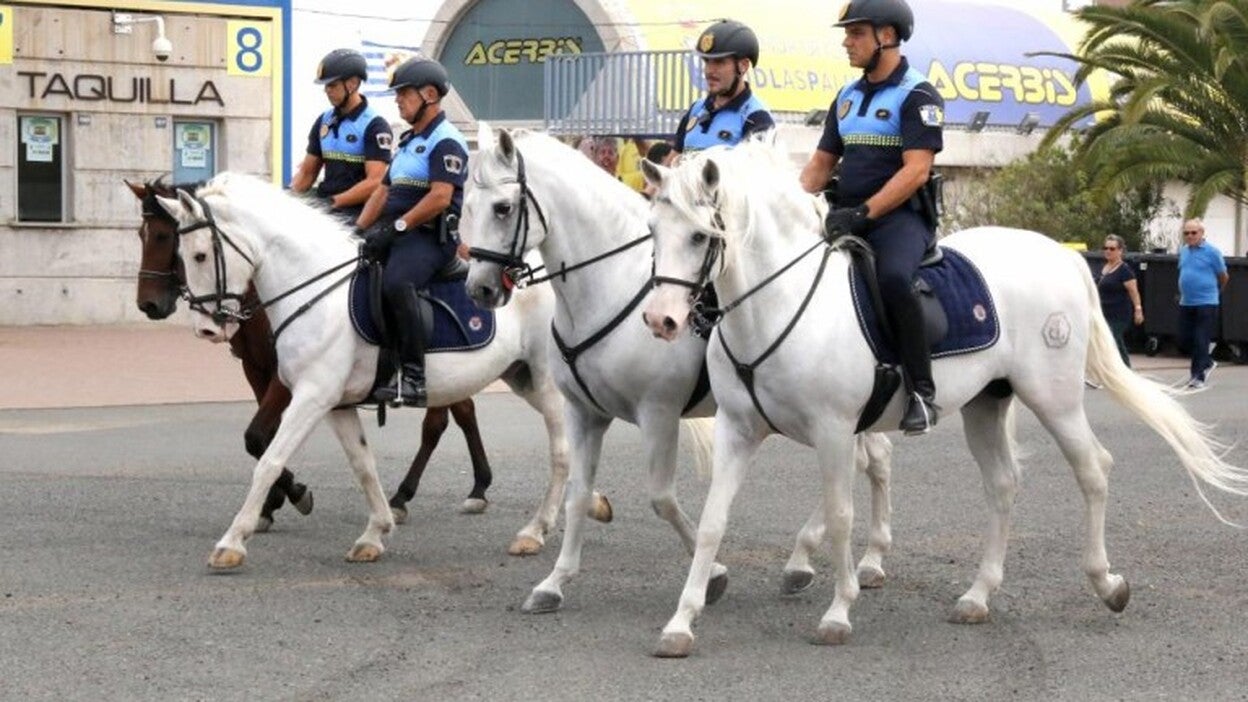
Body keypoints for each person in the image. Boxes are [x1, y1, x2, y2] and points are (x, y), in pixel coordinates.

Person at [798, 0, 944, 435]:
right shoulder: (845, 97)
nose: (847, 42)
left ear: (888, 35)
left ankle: (922, 392)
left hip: (900, 220)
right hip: (845, 214)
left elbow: (916, 171)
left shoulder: (918, 95)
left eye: (856, 33)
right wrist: (790, 204)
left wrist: (865, 213)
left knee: (894, 279)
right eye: (847, 33)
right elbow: (820, 166)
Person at [355, 57, 469, 407]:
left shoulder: (446, 140)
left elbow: (440, 197)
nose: (398, 100)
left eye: (404, 93)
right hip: (399, 233)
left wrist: (398, 227)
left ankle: (414, 378)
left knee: (396, 282)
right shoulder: (407, 142)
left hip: (431, 238)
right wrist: (357, 232)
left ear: (429, 95)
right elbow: (382, 191)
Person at [289, 48, 393, 224]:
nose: (327, 90)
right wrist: (287, 199)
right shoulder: (324, 121)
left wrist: (333, 202)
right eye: (325, 86)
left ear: (352, 84)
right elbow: (307, 172)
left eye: (332, 85)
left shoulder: (375, 125)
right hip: (325, 209)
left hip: (356, 215)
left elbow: (375, 182)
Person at [673, 19, 775, 155]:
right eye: (707, 61)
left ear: (743, 66)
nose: (709, 71)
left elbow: (758, 168)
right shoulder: (696, 109)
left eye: (719, 62)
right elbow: (673, 160)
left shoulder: (756, 118)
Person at [1177, 219, 1228, 388]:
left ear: (1201, 233)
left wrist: (1215, 292)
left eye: (1194, 233)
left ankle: (1197, 376)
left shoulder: (1212, 252)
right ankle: (1207, 361)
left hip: (1206, 302)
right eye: (1186, 233)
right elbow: (1184, 272)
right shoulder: (1184, 251)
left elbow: (1223, 276)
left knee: (1201, 339)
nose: (1190, 236)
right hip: (1186, 302)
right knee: (1184, 340)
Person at [1094, 234, 1143, 367]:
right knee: (1115, 343)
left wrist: (1138, 309)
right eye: (1105, 248)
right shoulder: (1102, 268)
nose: (1108, 251)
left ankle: (1118, 369)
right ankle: (1124, 369)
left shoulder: (1125, 271)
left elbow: (1134, 292)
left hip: (1119, 314)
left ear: (1120, 251)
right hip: (1103, 312)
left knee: (1110, 340)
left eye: (1112, 249)